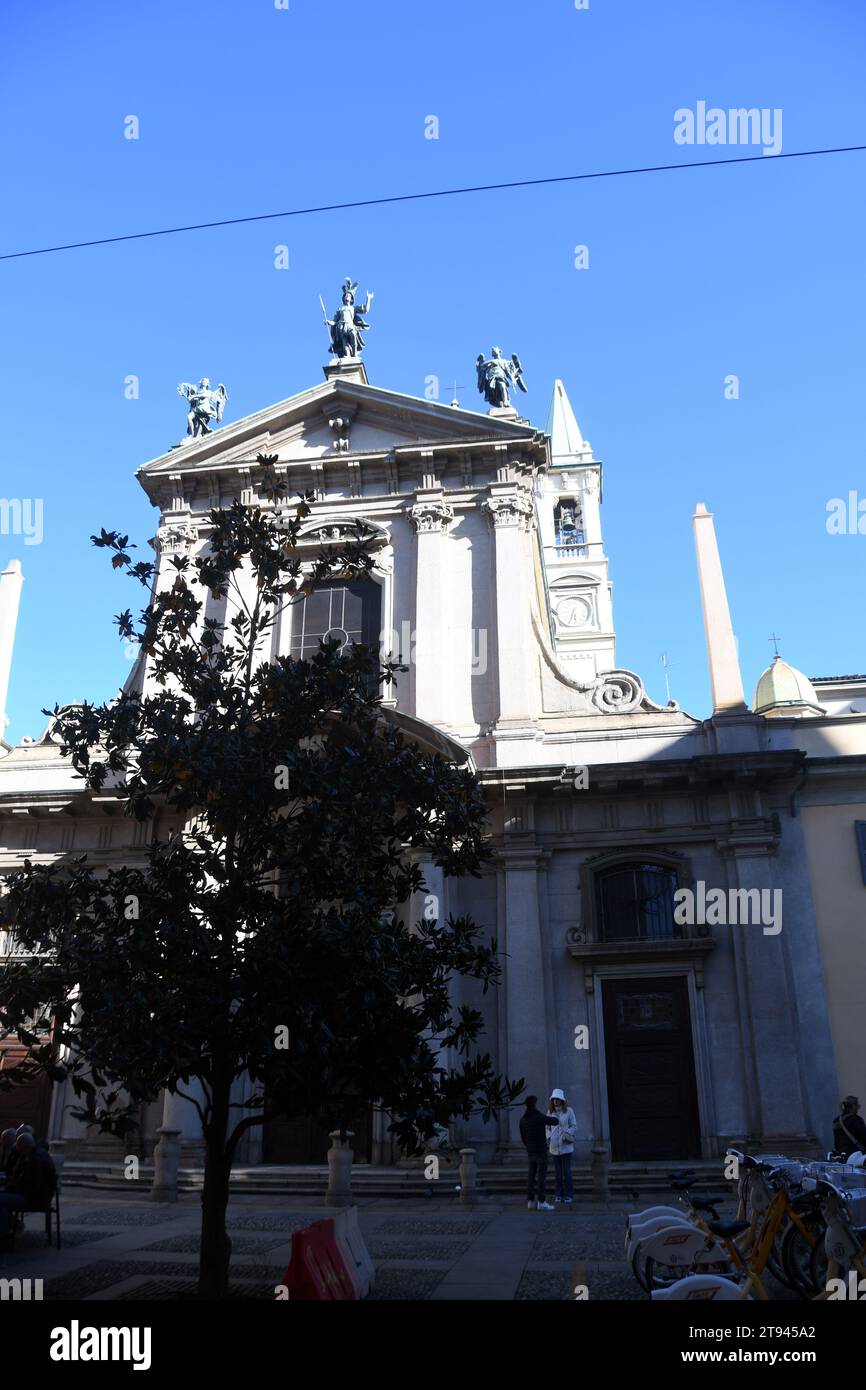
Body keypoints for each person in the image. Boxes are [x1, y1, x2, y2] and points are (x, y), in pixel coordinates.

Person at [0, 1133, 57, 1245]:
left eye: (18, 1147)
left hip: (35, 1198)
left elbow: (32, 1185)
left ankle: (4, 1237)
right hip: (35, 1194)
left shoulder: (36, 1159)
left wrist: (12, 1187)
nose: (17, 1150)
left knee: (1, 1201)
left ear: (24, 1146)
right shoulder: (34, 1154)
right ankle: (13, 1225)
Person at [519, 1096, 559, 1211]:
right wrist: (554, 1111)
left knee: (531, 1177)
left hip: (530, 1151)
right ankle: (541, 1201)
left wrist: (529, 1146)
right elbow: (554, 1121)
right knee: (541, 1177)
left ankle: (530, 1201)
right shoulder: (538, 1116)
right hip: (541, 1151)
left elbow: (523, 1137)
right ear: (534, 1104)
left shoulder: (523, 1119)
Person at [547, 1088, 577, 1205]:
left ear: (562, 1100)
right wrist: (549, 1137)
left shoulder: (569, 1111)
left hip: (566, 1146)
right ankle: (558, 1194)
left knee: (567, 1172)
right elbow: (547, 1127)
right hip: (554, 1147)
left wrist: (567, 1133)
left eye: (557, 1099)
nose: (555, 1101)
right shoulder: (550, 1112)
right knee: (558, 1172)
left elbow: (574, 1126)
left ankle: (569, 1195)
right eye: (554, 1099)